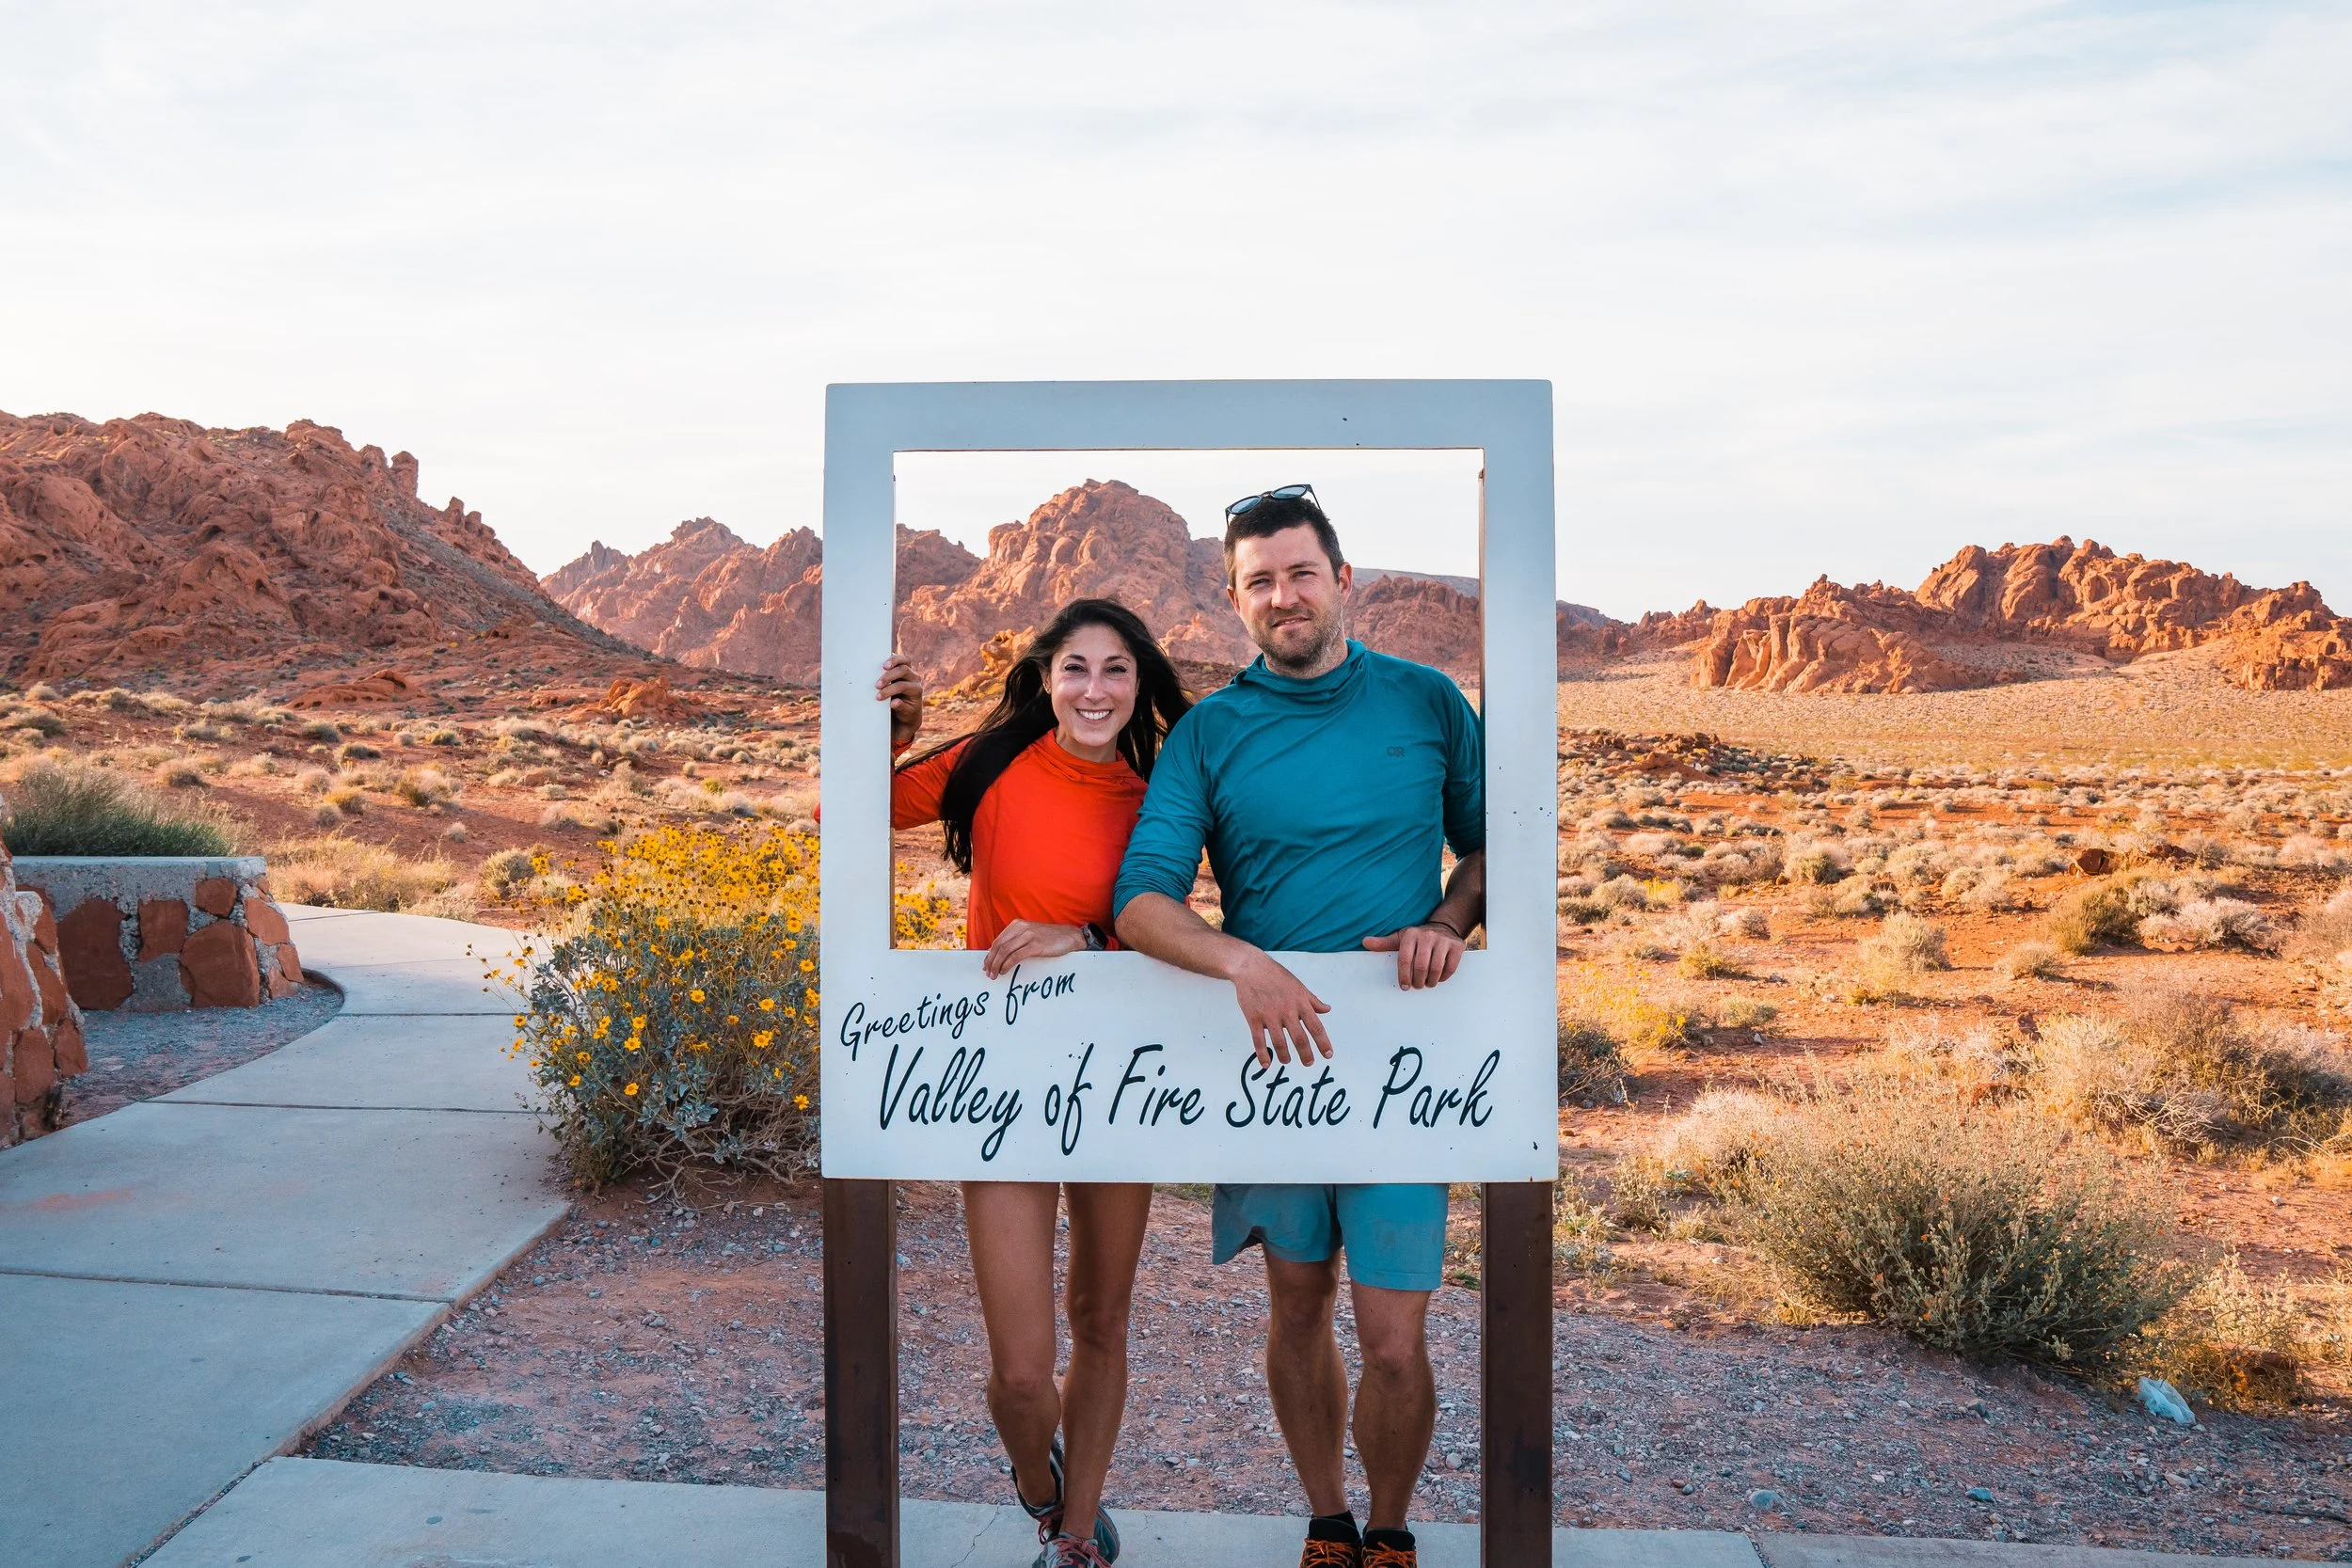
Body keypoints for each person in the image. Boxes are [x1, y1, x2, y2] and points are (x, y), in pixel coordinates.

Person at [1111, 485, 1485, 1568]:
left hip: (1405, 1066)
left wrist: (1448, 918)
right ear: (1235, 599)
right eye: (1259, 581)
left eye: (1300, 571)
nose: (1284, 595)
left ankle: (1392, 1528)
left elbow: (1490, 845)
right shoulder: (1212, 732)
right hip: (1273, 1068)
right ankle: (1327, 1520)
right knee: (1296, 1301)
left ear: (1342, 578)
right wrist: (1241, 962)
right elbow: (1142, 897)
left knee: (1395, 1337)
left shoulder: (1425, 702)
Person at [878, 597, 1193, 1568]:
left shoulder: (1161, 796)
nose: (1094, 689)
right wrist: (887, 737)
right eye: (1075, 668)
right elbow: (838, 813)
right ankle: (1037, 1480)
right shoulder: (988, 763)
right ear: (1046, 679)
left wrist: (1086, 937)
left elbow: (1174, 929)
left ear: (1139, 686)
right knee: (1020, 1372)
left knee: (1100, 1318)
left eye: (1115, 670)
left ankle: (1075, 1536)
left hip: (1118, 1079)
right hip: (1003, 1078)